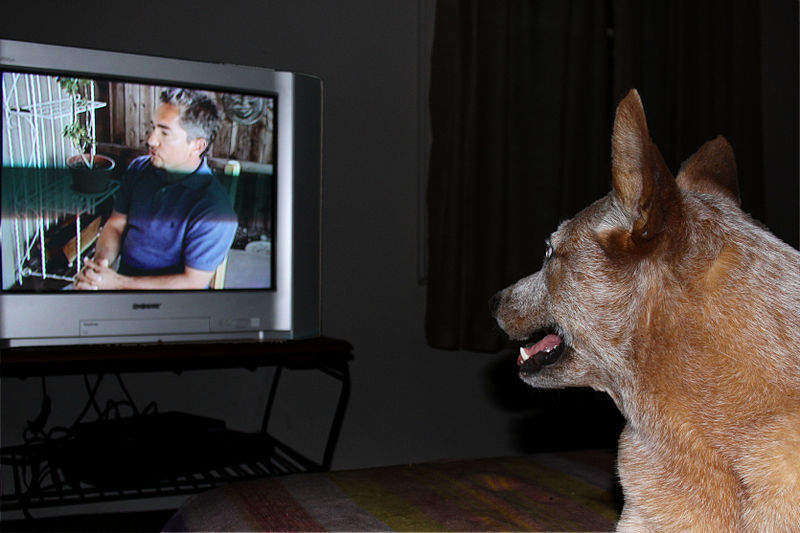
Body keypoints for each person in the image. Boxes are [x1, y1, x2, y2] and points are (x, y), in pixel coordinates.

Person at [74, 88, 238, 290]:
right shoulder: (139, 169)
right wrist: (100, 267)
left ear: (197, 146)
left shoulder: (215, 210)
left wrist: (117, 283)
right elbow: (115, 225)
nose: (151, 140)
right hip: (120, 283)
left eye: (164, 133)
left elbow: (192, 282)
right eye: (153, 128)